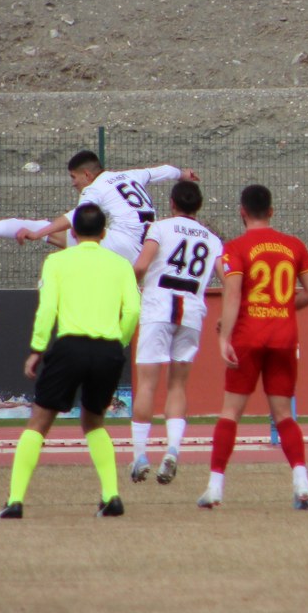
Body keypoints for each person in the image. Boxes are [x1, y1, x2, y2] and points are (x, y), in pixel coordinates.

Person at [0, 203, 140, 519]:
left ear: (72, 231)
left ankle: (15, 500)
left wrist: (37, 348)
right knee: (94, 422)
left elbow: (48, 309)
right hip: (108, 349)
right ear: (104, 233)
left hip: (70, 347)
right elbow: (132, 311)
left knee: (39, 422)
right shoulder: (121, 265)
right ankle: (111, 496)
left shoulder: (56, 261)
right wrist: (119, 343)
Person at [198, 184, 308, 511]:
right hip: (284, 337)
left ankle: (215, 487)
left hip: (247, 337)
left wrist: (223, 336)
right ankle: (301, 481)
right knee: (283, 415)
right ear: (271, 211)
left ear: (242, 212)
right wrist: (281, 308)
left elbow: (233, 294)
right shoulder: (294, 245)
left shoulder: (235, 248)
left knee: (230, 413)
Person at [127, 180, 224, 486]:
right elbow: (226, 277)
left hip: (158, 308)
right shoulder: (212, 239)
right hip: (191, 311)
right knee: (178, 385)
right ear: (199, 205)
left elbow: (141, 266)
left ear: (172, 203)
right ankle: (172, 450)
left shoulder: (160, 228)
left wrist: (124, 288)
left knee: (146, 384)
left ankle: (140, 455)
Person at [0, 150, 198, 264]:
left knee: (43, 228)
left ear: (87, 175)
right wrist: (183, 174)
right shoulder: (130, 175)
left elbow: (77, 216)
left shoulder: (95, 188)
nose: (73, 183)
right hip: (147, 244)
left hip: (123, 245)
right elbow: (165, 170)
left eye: (74, 177)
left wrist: (39, 234)